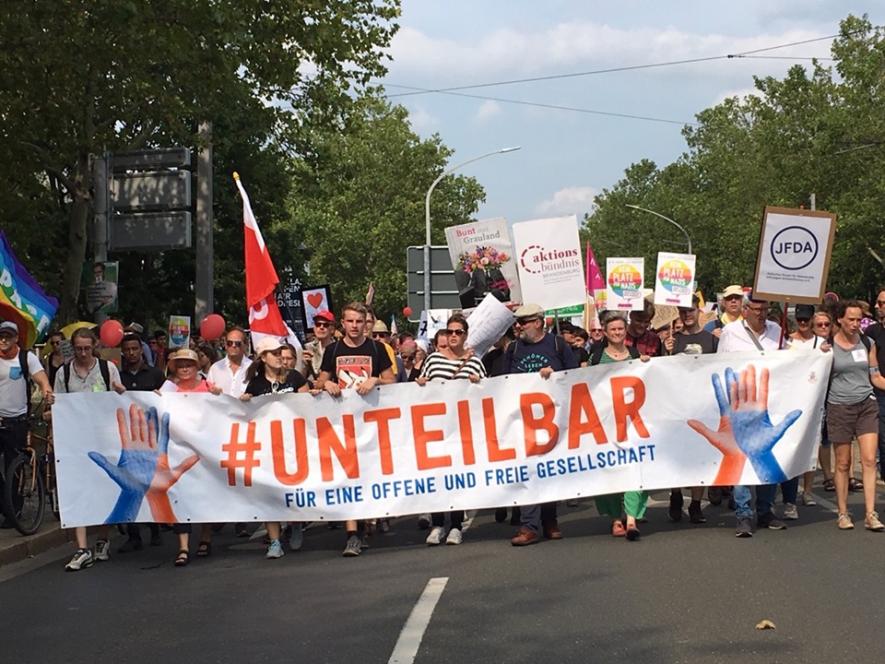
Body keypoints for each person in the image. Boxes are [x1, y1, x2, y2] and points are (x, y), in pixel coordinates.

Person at [315, 302, 395, 556]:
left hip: (370, 422)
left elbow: (392, 382)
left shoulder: (377, 348)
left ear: (366, 323)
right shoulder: (333, 349)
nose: (355, 326)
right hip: (341, 423)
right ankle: (352, 535)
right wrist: (325, 385)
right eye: (350, 321)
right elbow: (320, 381)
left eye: (359, 321)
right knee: (348, 477)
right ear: (343, 323)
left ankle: (367, 523)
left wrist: (375, 380)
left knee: (368, 475)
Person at [506, 303, 578, 546]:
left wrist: (554, 374)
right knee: (528, 471)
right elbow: (501, 382)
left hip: (552, 420)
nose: (519, 326)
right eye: (518, 322)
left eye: (524, 322)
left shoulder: (558, 345)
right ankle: (528, 526)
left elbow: (575, 377)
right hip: (523, 420)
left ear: (538, 322)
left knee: (549, 470)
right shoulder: (514, 348)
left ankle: (550, 520)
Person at [54, 327, 125, 570]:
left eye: (87, 348)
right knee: (78, 491)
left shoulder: (107, 369)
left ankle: (102, 539)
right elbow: (60, 404)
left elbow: (119, 400)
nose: (83, 353)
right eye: (78, 348)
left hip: (104, 440)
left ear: (94, 346)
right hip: (75, 441)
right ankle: (81, 548)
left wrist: (120, 393)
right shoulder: (64, 372)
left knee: (103, 490)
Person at [717, 294, 788, 537]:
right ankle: (744, 514)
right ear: (745, 310)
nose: (761, 313)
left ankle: (766, 511)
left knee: (766, 453)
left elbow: (789, 362)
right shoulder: (730, 332)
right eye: (756, 308)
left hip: (769, 403)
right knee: (742, 458)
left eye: (765, 309)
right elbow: (719, 364)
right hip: (741, 406)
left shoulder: (777, 330)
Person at [416, 314, 486, 546]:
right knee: (436, 476)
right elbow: (420, 386)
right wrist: (421, 383)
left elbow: (489, 391)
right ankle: (438, 524)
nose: (453, 336)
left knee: (457, 478)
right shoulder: (434, 359)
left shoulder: (474, 362)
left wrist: (479, 383)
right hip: (435, 429)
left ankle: (455, 525)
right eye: (450, 332)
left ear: (465, 336)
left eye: (458, 332)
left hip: (461, 429)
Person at [240, 337, 309, 558]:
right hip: (268, 446)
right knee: (269, 492)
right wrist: (245, 402)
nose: (280, 356)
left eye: (281, 352)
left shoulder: (295, 377)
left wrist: (312, 396)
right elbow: (247, 415)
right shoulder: (256, 384)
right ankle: (275, 541)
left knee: (294, 489)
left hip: (295, 442)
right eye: (274, 353)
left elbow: (310, 408)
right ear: (263, 358)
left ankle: (296, 523)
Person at [591, 313, 650, 540]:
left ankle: (632, 518)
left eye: (620, 329)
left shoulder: (635, 355)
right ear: (605, 333)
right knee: (610, 470)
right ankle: (616, 517)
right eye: (613, 329)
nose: (617, 332)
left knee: (634, 467)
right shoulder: (596, 357)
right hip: (605, 424)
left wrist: (646, 365)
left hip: (632, 423)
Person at [827, 300, 885, 531]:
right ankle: (843, 512)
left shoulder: (867, 342)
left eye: (858, 319)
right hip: (839, 407)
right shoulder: (828, 346)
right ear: (840, 319)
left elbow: (876, 376)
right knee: (843, 463)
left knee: (869, 460)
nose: (854, 324)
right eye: (850, 319)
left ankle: (871, 513)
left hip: (866, 406)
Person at [157, 348, 218, 566]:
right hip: (178, 450)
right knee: (180, 496)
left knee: (204, 495)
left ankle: (205, 537)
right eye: (180, 365)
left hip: (204, 450)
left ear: (196, 367)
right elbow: (156, 406)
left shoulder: (208, 387)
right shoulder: (168, 388)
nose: (185, 369)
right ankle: (183, 546)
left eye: (189, 365)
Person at [663, 296, 717, 524]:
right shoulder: (671, 341)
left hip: (703, 407)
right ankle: (675, 495)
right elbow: (660, 374)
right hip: (677, 407)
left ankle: (696, 504)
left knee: (700, 458)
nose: (687, 315)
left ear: (699, 311)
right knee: (677, 456)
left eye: (691, 310)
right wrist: (665, 352)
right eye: (683, 311)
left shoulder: (711, 340)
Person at [0, 321, 55, 529]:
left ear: (16, 338)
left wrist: (47, 391)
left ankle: (14, 509)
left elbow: (41, 379)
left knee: (13, 467)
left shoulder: (26, 358)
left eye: (9, 335)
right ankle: (5, 504)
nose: (4, 339)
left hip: (17, 422)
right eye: (1, 335)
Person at [117, 333, 166, 552]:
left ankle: (155, 528)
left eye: (135, 349)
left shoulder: (155, 374)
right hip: (128, 439)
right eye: (127, 350)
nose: (131, 353)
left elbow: (168, 398)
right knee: (130, 483)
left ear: (141, 350)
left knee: (150, 483)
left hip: (151, 437)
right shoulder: (118, 377)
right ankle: (133, 534)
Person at [787, 304, 828, 509]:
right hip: (790, 400)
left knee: (811, 444)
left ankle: (808, 490)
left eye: (806, 319)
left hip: (812, 401)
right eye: (800, 320)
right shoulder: (787, 342)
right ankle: (790, 491)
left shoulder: (821, 343)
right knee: (791, 445)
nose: (803, 323)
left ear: (812, 319)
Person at [864, 286, 885, 482]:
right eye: (877, 303)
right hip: (880, 393)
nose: (878, 306)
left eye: (882, 303)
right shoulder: (872, 332)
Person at [207, 327, 252, 399]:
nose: (233, 346)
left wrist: (251, 396)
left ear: (245, 345)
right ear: (225, 345)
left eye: (238, 343)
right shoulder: (215, 368)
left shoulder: (253, 367)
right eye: (229, 343)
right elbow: (207, 394)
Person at [302, 310, 335, 382]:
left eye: (325, 325)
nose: (321, 327)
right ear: (314, 328)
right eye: (318, 324)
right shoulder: (306, 348)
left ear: (332, 329)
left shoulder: (338, 348)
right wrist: (304, 365)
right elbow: (299, 378)